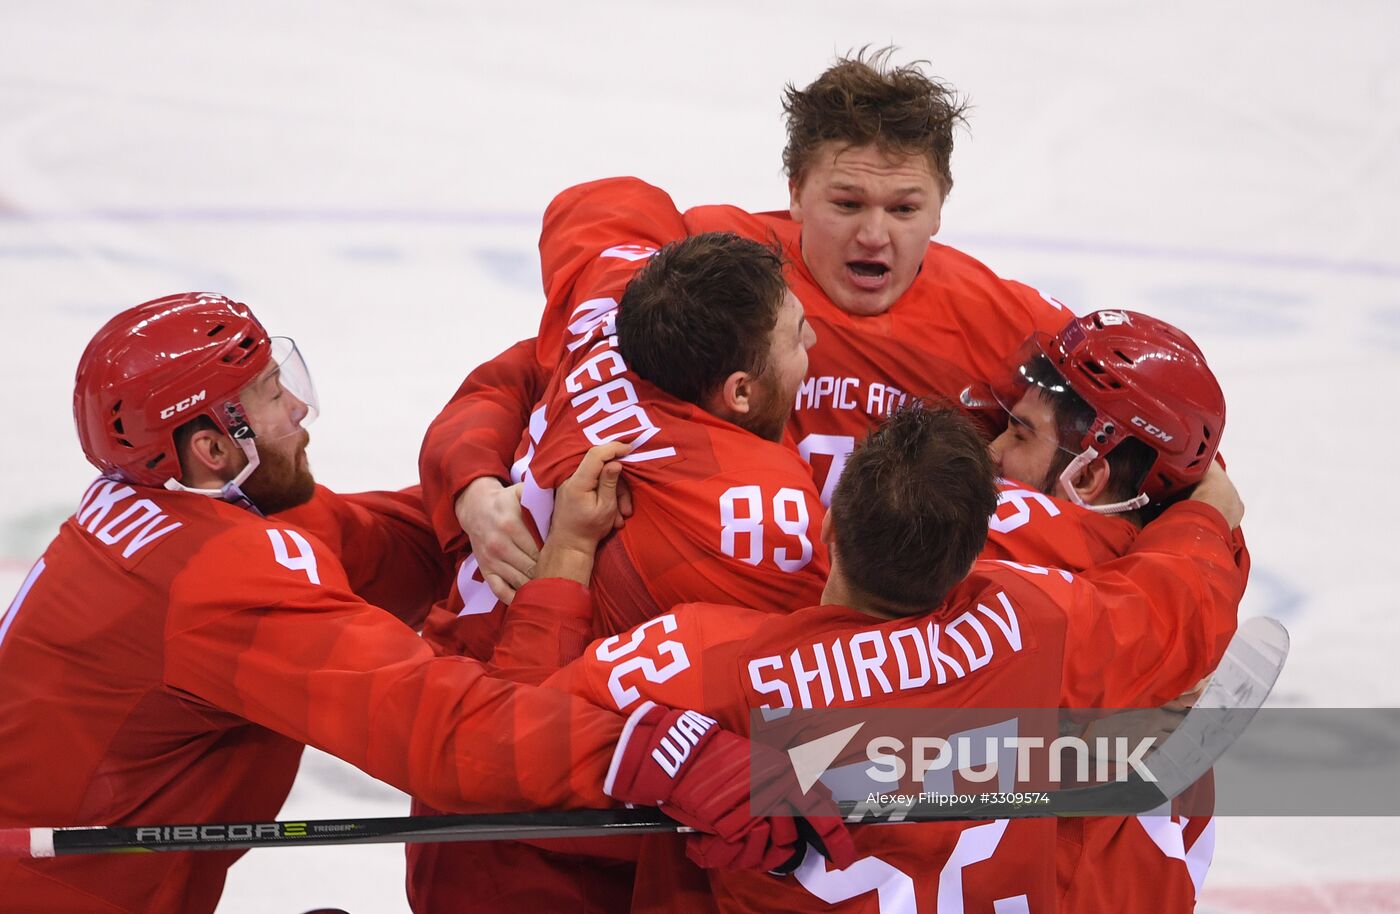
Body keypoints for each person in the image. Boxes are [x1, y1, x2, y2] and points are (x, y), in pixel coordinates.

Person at [0, 292, 852, 914]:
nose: (297, 408)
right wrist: (669, 754)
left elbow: (376, 546)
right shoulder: (213, 576)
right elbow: (447, 737)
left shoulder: (172, 509)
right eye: (269, 393)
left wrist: (486, 493)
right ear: (215, 445)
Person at [538, 402, 1248, 913]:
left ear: (828, 525)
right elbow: (1177, 601)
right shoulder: (1038, 625)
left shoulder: (712, 659)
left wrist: (567, 555)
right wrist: (1205, 515)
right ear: (971, 558)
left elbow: (516, 725)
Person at [428, 49, 1075, 604]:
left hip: (874, 635)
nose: (875, 236)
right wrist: (472, 486)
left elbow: (1155, 448)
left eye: (905, 208)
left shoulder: (1007, 322)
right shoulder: (719, 260)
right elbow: (534, 371)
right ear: (795, 192)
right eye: (846, 203)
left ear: (941, 209)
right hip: (680, 614)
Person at [963, 308, 1244, 913]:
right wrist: (1204, 518)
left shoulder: (972, 550)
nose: (990, 451)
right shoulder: (1198, 590)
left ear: (1086, 475)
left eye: (1018, 433)